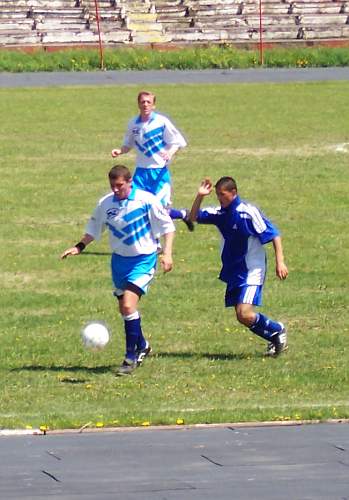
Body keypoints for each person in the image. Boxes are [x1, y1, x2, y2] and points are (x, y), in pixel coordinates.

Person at [61, 165, 175, 375]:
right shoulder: (105, 204)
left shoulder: (146, 200)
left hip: (143, 260)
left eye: (119, 185)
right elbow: (94, 230)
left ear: (130, 182)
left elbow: (168, 227)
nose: (116, 190)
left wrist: (167, 254)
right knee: (124, 308)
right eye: (112, 186)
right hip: (119, 262)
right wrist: (79, 247)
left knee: (128, 306)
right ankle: (143, 345)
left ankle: (130, 358)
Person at [189, 176, 289, 357]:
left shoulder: (247, 212)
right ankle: (275, 336)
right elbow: (193, 216)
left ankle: (278, 330)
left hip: (252, 269)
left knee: (245, 313)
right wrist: (200, 196)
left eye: (222, 195)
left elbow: (274, 234)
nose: (219, 199)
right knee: (241, 317)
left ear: (233, 193)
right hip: (234, 272)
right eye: (217, 195)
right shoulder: (220, 214)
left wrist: (280, 261)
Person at [111, 90, 194, 231]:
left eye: (148, 102)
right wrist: (120, 151)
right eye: (142, 102)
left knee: (159, 210)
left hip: (159, 173)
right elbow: (128, 144)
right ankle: (155, 244)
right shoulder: (133, 124)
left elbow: (178, 141)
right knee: (137, 206)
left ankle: (182, 214)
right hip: (141, 173)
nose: (145, 104)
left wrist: (169, 153)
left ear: (153, 105)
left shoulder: (161, 122)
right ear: (138, 104)